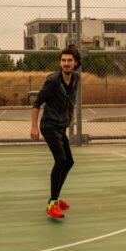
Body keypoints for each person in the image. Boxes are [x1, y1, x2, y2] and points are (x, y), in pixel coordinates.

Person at [30, 45, 81, 219]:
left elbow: (72, 99)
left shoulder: (76, 78)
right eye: (63, 60)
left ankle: (56, 199)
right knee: (61, 160)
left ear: (75, 63)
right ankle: (52, 203)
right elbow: (37, 103)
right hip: (49, 126)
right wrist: (34, 127)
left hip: (60, 126)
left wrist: (71, 115)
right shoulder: (52, 81)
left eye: (69, 60)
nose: (66, 63)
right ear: (60, 62)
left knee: (69, 162)